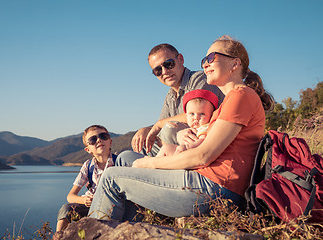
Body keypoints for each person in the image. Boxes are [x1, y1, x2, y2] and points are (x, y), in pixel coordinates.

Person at [87, 35, 274, 221]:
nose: (205, 64)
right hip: (208, 182)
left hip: (217, 188)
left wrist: (150, 163)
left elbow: (203, 155)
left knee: (111, 177)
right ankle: (128, 227)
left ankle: (98, 229)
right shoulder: (231, 101)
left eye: (211, 58)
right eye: (204, 60)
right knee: (126, 160)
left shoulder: (241, 95)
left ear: (235, 64)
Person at [131, 43, 224, 156]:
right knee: (130, 153)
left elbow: (199, 114)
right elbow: (162, 125)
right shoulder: (170, 97)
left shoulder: (200, 79)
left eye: (168, 64)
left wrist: (159, 124)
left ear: (180, 59)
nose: (164, 72)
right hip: (176, 146)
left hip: (200, 145)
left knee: (168, 130)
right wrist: (147, 129)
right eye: (158, 70)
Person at [56, 125, 116, 232]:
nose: (99, 140)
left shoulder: (120, 162)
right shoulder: (88, 166)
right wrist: (84, 200)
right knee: (66, 209)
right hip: (91, 206)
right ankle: (59, 236)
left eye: (103, 136)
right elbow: (70, 196)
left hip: (113, 206)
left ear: (110, 141)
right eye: (93, 140)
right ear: (88, 149)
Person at [156, 89, 218, 157]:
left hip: (194, 154)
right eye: (192, 114)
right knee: (165, 148)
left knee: (166, 149)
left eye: (202, 114)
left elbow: (202, 142)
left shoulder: (205, 128)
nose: (196, 117)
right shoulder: (195, 128)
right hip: (187, 151)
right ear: (186, 116)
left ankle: (155, 163)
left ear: (211, 115)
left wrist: (187, 147)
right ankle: (155, 162)